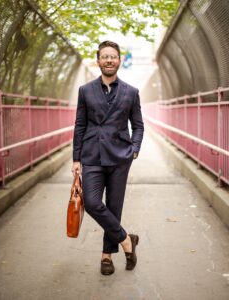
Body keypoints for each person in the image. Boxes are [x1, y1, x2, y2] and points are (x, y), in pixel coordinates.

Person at [71, 41, 144, 275]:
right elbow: (80, 125)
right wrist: (76, 159)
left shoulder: (131, 92)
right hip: (92, 155)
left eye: (113, 56)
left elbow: (138, 126)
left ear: (119, 60)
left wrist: (134, 149)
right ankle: (126, 240)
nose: (109, 60)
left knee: (114, 206)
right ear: (98, 60)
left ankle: (106, 257)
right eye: (105, 56)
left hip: (120, 157)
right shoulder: (85, 90)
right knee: (92, 203)